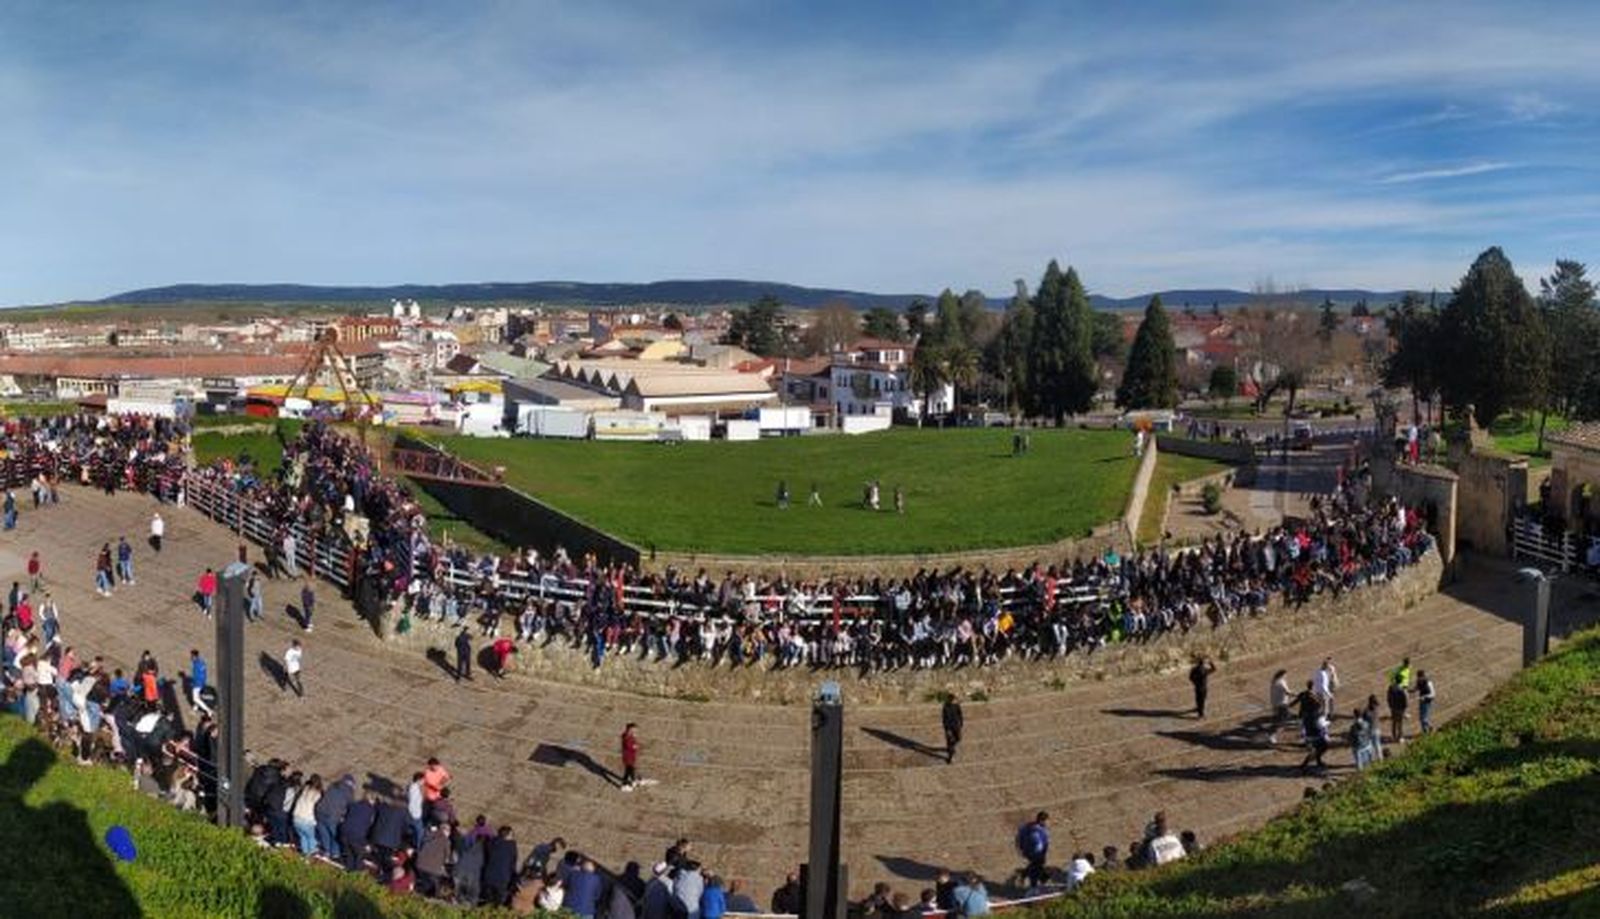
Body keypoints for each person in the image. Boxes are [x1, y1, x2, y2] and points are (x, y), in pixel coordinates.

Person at [1015, 811, 1050, 889]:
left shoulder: (1028, 826)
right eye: (1047, 821)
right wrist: (1041, 855)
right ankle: (1034, 885)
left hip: (1027, 852)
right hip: (1036, 855)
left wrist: (1020, 849)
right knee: (1035, 869)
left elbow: (1018, 836)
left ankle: (1042, 878)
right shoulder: (1037, 832)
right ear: (1042, 821)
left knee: (1037, 867)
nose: (1048, 823)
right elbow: (1038, 846)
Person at [1267, 669, 1292, 745]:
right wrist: (1297, 695)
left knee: (1277, 719)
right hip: (1282, 704)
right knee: (1282, 720)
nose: (1286, 676)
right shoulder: (1281, 682)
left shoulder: (1274, 681)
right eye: (1285, 675)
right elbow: (1288, 692)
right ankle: (1272, 735)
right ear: (1282, 675)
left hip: (1275, 703)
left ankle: (1272, 732)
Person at [1386, 671, 1409, 743]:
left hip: (1393, 707)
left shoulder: (1391, 687)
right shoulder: (1402, 690)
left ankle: (1393, 736)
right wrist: (1405, 708)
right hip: (1400, 709)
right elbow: (1405, 700)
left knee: (1394, 722)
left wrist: (1390, 705)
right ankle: (1400, 737)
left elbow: (1388, 697)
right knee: (1400, 723)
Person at [942, 694, 964, 764]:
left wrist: (961, 723)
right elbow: (944, 719)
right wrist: (947, 729)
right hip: (949, 727)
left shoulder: (956, 706)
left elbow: (960, 714)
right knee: (951, 741)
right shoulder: (945, 707)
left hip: (956, 726)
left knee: (958, 739)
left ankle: (951, 747)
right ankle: (950, 758)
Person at [188, 649, 211, 715]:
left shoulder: (197, 664)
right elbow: (204, 673)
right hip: (201, 682)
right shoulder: (201, 662)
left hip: (197, 684)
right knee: (197, 696)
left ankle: (208, 710)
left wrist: (194, 683)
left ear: (195, 656)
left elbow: (197, 675)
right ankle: (195, 709)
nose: (191, 657)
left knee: (195, 698)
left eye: (192, 656)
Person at [621, 722, 641, 790]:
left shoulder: (629, 736)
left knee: (628, 770)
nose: (635, 732)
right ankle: (631, 781)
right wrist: (635, 746)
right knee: (630, 769)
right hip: (628, 757)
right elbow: (628, 745)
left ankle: (628, 782)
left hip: (630, 756)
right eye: (633, 730)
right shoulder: (627, 737)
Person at [1416, 669, 1436, 734]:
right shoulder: (1419, 681)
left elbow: (1433, 694)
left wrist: (1424, 697)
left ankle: (1430, 728)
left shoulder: (1428, 683)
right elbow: (1416, 688)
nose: (1419, 678)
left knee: (1424, 718)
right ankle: (1425, 731)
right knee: (1421, 718)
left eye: (1420, 677)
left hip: (1427, 702)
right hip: (1422, 701)